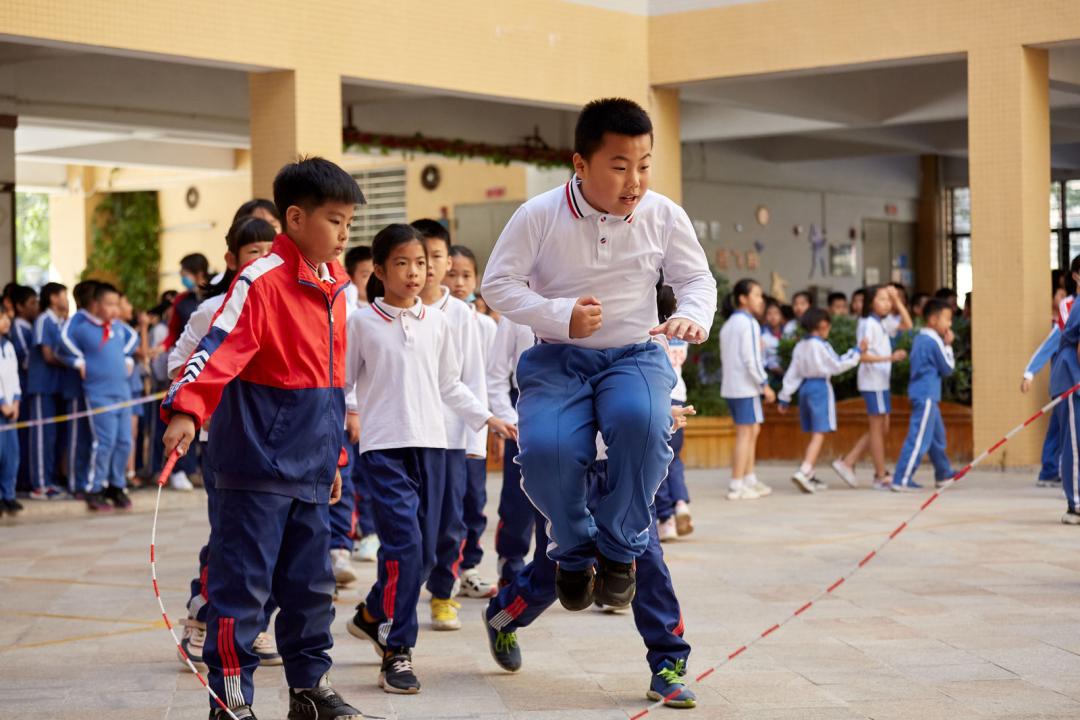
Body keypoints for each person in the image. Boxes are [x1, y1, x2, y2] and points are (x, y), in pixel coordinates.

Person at [482, 97, 716, 611]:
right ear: (581, 164)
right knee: (546, 453)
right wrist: (558, 314)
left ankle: (619, 548)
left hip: (634, 355)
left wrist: (692, 315)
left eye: (645, 165)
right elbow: (497, 283)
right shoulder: (538, 215)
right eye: (619, 166)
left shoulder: (663, 215)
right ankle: (572, 549)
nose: (635, 181)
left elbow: (695, 278)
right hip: (558, 359)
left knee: (644, 424)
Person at [161, 157, 367, 720]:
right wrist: (186, 409)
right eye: (334, 219)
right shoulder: (261, 281)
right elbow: (217, 349)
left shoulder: (335, 288)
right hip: (254, 463)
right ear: (295, 218)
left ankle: (309, 690)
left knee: (310, 589)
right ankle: (230, 699)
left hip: (310, 465)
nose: (345, 232)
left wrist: (334, 461)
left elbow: (330, 385)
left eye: (350, 221)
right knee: (242, 590)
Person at [343, 223, 516, 694]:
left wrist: (488, 418)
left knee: (435, 545)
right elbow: (344, 384)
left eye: (420, 263)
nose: (414, 272)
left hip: (438, 447)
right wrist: (350, 419)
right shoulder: (360, 323)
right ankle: (397, 650)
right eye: (401, 263)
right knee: (405, 546)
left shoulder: (440, 321)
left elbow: (450, 385)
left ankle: (372, 611)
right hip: (384, 449)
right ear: (378, 271)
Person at [482, 405, 698, 709]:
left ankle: (668, 665)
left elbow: (646, 377)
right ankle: (501, 617)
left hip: (625, 466)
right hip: (566, 467)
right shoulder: (550, 355)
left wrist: (658, 412)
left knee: (648, 562)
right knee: (555, 571)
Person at [167, 213, 278, 671]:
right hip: (221, 441)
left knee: (269, 539)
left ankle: (254, 622)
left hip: (272, 441)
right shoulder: (209, 310)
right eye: (254, 251)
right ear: (232, 259)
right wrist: (198, 405)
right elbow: (178, 364)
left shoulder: (284, 303)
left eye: (271, 250)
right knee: (231, 535)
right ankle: (203, 616)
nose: (264, 259)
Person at [409, 219, 493, 629]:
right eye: (420, 258)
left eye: (436, 257)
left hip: (453, 439)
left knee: (450, 524)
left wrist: (476, 438)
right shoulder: (396, 312)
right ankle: (397, 598)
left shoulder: (462, 315)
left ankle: (443, 593)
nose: (427, 266)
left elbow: (474, 377)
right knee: (414, 524)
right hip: (408, 435)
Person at [447, 243, 500, 598]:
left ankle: (469, 567)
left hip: (474, 430)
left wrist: (493, 424)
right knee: (443, 504)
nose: (459, 282)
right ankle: (443, 569)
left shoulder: (485, 327)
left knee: (473, 501)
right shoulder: (434, 319)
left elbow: (493, 379)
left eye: (466, 275)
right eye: (452, 274)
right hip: (441, 431)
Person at [57, 282, 137, 511]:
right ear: (96, 304)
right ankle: (95, 488)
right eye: (109, 304)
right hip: (99, 394)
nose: (114, 309)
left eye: (116, 304)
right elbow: (62, 342)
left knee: (124, 442)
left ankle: (117, 485)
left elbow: (132, 339)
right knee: (104, 442)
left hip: (123, 393)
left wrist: (128, 357)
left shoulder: (119, 328)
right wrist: (77, 361)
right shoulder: (83, 326)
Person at [832, 285, 911, 489]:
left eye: (888, 300)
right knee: (877, 427)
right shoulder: (867, 324)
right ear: (870, 303)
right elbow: (862, 355)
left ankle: (848, 461)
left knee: (881, 426)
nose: (887, 304)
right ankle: (880, 475)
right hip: (872, 381)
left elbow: (908, 324)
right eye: (882, 299)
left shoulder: (882, 322)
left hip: (881, 381)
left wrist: (897, 300)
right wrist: (890, 358)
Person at [778, 308, 864, 493]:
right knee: (819, 432)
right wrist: (856, 352)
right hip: (819, 388)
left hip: (804, 388)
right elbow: (837, 364)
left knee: (813, 432)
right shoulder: (821, 345)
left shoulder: (800, 345)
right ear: (823, 325)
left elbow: (793, 372)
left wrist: (784, 397)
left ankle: (810, 473)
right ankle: (805, 469)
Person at [486, 312, 537, 588]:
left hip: (573, 401)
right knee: (519, 493)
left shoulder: (584, 297)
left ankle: (587, 569)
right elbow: (495, 373)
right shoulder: (518, 311)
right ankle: (511, 562)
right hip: (524, 404)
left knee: (582, 491)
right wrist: (509, 417)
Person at [1021, 259, 1080, 489]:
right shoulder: (1070, 306)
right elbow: (1051, 343)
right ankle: (1049, 471)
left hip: (1071, 382)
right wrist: (1029, 372)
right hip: (1067, 382)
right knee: (1063, 432)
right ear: (1076, 275)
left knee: (1065, 432)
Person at [891, 299, 956, 492]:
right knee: (919, 437)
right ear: (934, 320)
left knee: (936, 436)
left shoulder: (920, 338)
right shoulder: (933, 341)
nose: (949, 324)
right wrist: (948, 346)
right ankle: (902, 477)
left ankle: (944, 472)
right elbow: (947, 368)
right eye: (947, 319)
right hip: (926, 394)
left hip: (924, 393)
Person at [720, 278, 775, 501]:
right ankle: (737, 483)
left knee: (751, 431)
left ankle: (749, 479)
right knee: (746, 433)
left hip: (733, 386)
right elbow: (750, 360)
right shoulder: (749, 323)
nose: (760, 300)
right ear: (743, 299)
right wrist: (765, 385)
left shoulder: (730, 323)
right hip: (746, 387)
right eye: (757, 295)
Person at [654, 284, 692, 540]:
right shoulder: (682, 331)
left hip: (659, 398)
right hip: (680, 394)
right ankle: (681, 504)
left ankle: (665, 518)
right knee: (674, 458)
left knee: (657, 460)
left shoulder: (654, 333)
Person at [26, 282, 68, 499]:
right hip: (42, 386)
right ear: (53, 298)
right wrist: (72, 363)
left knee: (51, 436)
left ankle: (49, 480)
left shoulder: (60, 322)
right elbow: (47, 354)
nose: (66, 299)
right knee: (41, 435)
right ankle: (40, 485)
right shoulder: (44, 320)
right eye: (63, 295)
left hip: (55, 387)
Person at [0, 309, 23, 516]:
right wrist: (1, 403)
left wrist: (15, 401)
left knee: (11, 454)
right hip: (1, 409)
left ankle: (9, 495)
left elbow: (14, 378)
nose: (7, 321)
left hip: (10, 410)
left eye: (7, 317)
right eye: (2, 318)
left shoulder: (8, 346)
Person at [761, 296, 785, 387]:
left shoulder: (788, 332)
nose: (773, 317)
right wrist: (771, 366)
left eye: (776, 313)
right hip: (769, 375)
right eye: (769, 314)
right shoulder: (761, 333)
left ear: (781, 316)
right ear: (765, 316)